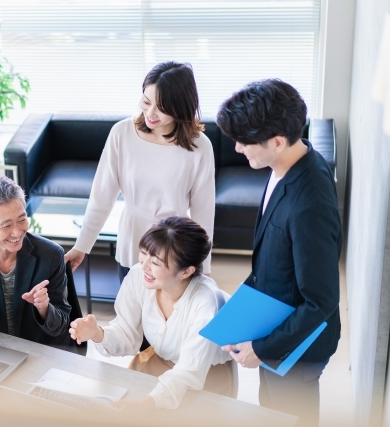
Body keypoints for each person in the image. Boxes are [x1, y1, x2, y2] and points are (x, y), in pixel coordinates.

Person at [216, 79, 342, 426]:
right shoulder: (285, 165)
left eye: (244, 141)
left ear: (277, 141)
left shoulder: (309, 203)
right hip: (275, 322)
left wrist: (261, 349)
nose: (238, 148)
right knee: (269, 414)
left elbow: (320, 302)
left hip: (296, 349)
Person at [64, 61, 215, 283]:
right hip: (132, 242)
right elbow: (101, 197)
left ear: (180, 107)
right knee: (129, 304)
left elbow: (204, 214)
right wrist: (82, 246)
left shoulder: (199, 146)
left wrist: (204, 266)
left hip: (175, 249)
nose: (150, 113)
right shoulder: (122, 133)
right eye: (146, 101)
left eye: (162, 108)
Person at [69, 216, 233, 411]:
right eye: (143, 253)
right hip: (160, 362)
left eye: (155, 262)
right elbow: (126, 334)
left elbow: (188, 371)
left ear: (186, 271)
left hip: (205, 376)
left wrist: (144, 406)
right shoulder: (138, 276)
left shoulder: (206, 301)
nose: (144, 265)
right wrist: (97, 333)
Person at [0, 174, 76, 352]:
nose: (17, 232)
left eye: (22, 219)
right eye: (6, 225)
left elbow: (61, 327)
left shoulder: (51, 255)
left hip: (39, 352)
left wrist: (44, 308)